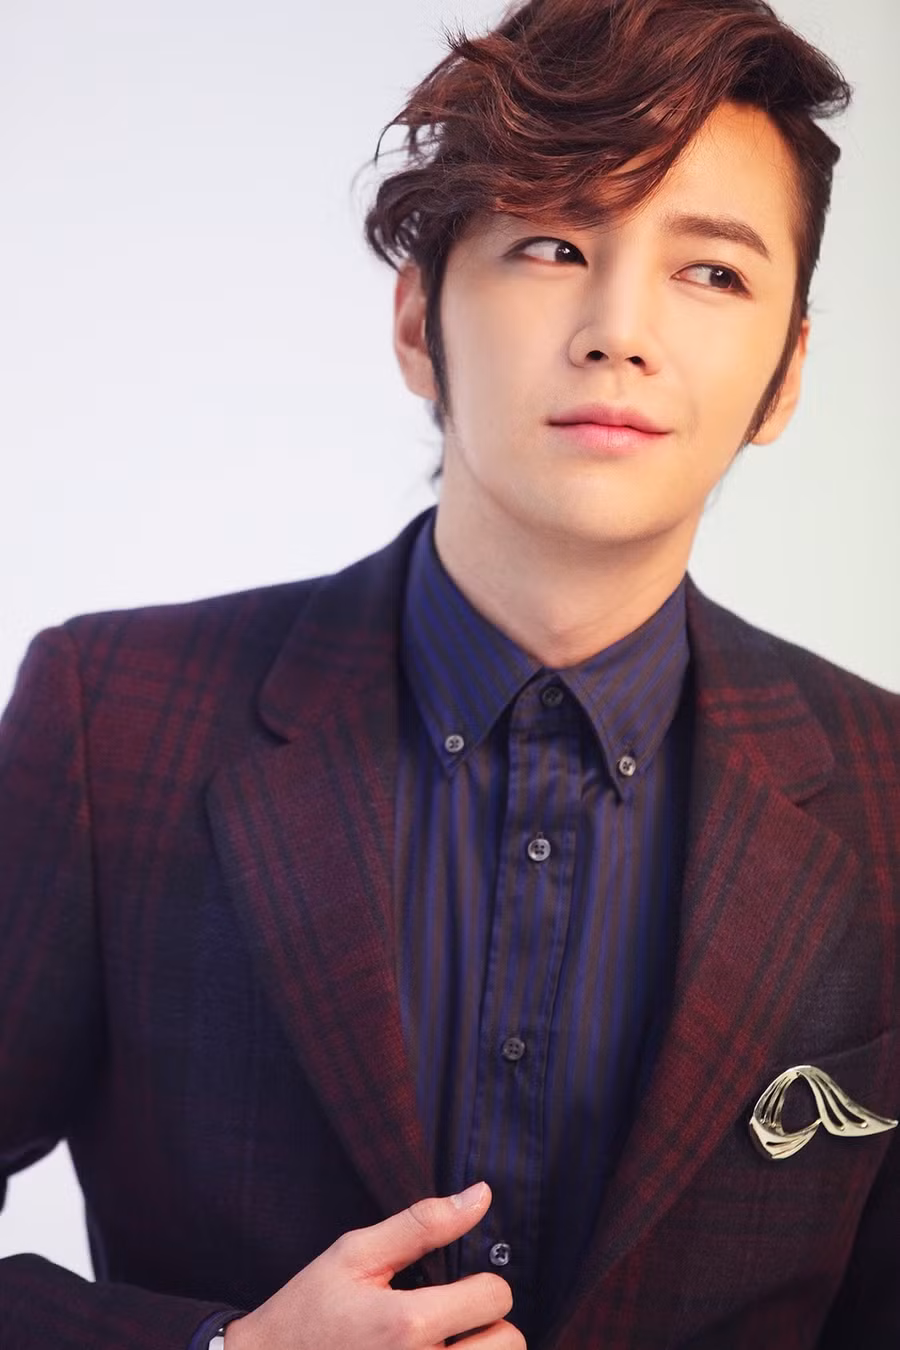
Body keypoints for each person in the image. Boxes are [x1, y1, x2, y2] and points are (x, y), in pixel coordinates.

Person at [1, 0, 897, 1346]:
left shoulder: (886, 795)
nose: (619, 330)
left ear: (785, 377)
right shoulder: (109, 717)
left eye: (711, 272)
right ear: (420, 319)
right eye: (553, 244)